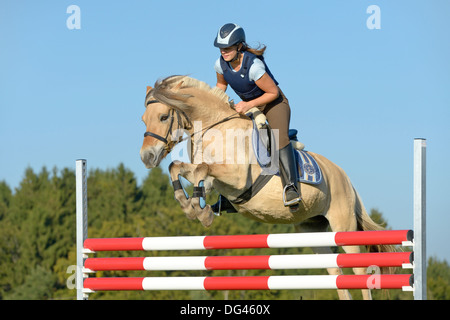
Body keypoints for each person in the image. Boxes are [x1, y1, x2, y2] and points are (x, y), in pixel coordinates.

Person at [211, 23, 301, 214]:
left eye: (227, 48)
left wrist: (248, 105)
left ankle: (291, 188)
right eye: (221, 48)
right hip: (249, 105)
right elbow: (220, 86)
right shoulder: (220, 64)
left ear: (239, 46)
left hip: (274, 103)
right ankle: (228, 197)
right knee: (232, 139)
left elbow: (273, 92)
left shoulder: (254, 66)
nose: (223, 52)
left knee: (278, 138)